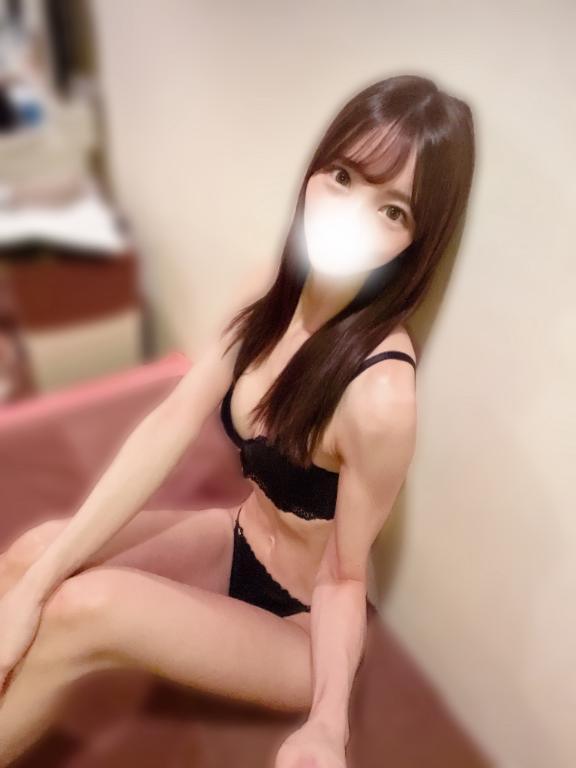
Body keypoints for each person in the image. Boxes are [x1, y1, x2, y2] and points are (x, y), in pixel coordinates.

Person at [0, 74, 476, 766]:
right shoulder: (269, 290)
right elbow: (172, 421)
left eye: (392, 210)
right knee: (32, 555)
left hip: (300, 623)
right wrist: (38, 583)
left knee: (83, 609)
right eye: (343, 176)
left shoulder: (380, 395)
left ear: (417, 241)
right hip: (238, 536)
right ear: (313, 171)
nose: (350, 214)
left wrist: (328, 725)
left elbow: (345, 576)